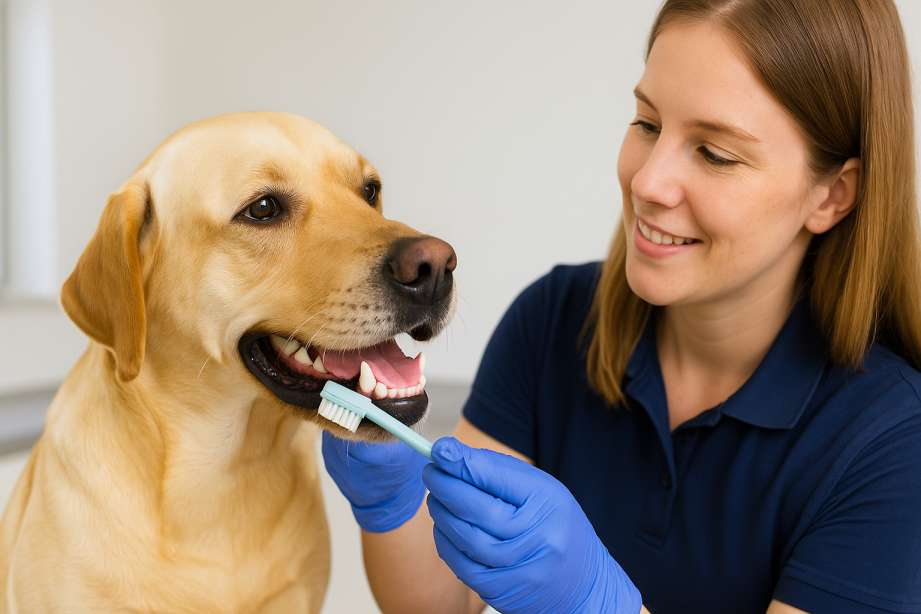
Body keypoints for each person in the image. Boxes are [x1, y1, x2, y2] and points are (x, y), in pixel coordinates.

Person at [322, 0, 921, 612]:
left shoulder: (894, 444)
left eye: (715, 153)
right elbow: (441, 605)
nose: (647, 182)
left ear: (832, 196)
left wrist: (598, 603)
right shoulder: (555, 321)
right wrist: (390, 502)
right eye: (647, 123)